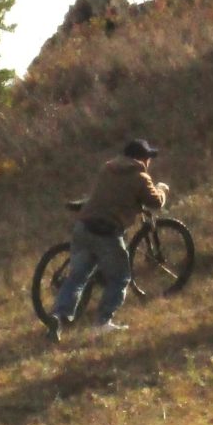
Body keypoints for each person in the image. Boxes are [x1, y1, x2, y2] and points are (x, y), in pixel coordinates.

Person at [49, 139, 168, 341]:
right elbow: (155, 202)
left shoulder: (108, 168)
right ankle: (102, 322)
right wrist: (162, 189)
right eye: (148, 158)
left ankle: (58, 318)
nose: (149, 162)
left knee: (77, 277)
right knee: (121, 277)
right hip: (106, 232)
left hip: (83, 226)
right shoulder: (140, 177)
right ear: (142, 159)